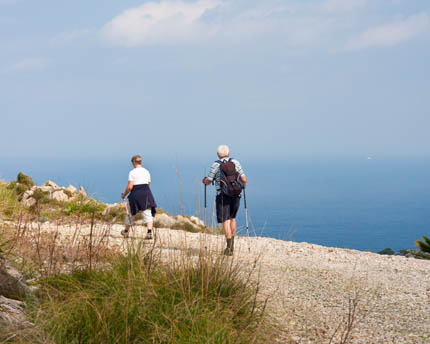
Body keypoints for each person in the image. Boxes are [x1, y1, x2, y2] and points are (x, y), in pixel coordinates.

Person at [202, 145, 247, 255]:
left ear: (218, 154)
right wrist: (242, 187)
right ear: (228, 153)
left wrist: (204, 181)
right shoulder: (236, 162)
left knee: (225, 220)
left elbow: (208, 180)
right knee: (232, 219)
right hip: (236, 194)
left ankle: (229, 248)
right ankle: (232, 246)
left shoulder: (216, 165)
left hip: (223, 195)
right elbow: (244, 179)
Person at [121, 155, 156, 239]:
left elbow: (130, 187)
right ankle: (149, 232)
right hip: (146, 193)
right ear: (140, 162)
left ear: (133, 162)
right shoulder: (147, 172)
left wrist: (124, 195)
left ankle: (126, 232)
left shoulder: (132, 172)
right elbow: (148, 184)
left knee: (130, 213)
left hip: (135, 194)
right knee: (147, 213)